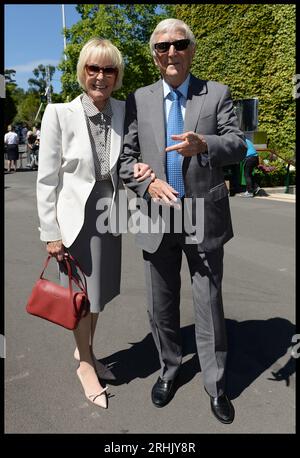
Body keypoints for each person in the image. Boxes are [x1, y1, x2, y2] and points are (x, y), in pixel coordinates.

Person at [119, 18, 247, 424]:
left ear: (192, 49)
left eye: (179, 44)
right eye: (162, 47)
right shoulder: (139, 99)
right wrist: (146, 185)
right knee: (161, 305)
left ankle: (216, 384)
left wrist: (204, 143)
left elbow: (238, 144)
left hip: (201, 215)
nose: (171, 52)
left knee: (208, 304)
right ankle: (169, 370)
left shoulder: (217, 94)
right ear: (155, 56)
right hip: (156, 215)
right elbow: (125, 160)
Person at [36, 37, 153, 409]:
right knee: (79, 296)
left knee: (98, 293)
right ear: (82, 71)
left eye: (108, 69)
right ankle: (86, 363)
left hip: (111, 211)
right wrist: (50, 231)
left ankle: (84, 348)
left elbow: (133, 156)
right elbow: (47, 179)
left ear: (117, 76)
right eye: (93, 68)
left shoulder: (123, 110)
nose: (100, 76)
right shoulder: (58, 113)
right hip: (75, 216)